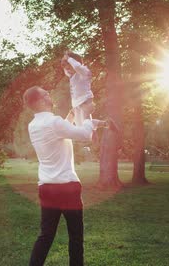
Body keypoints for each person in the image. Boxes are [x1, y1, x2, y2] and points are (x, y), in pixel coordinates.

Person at [24, 86, 92, 266]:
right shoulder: (54, 123)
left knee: (46, 236)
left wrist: (70, 118)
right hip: (67, 187)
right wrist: (88, 116)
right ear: (39, 101)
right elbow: (86, 135)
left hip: (47, 187)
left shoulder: (33, 125)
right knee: (76, 237)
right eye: (45, 94)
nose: (49, 95)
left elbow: (59, 134)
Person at [61, 50, 117, 133]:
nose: (67, 71)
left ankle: (94, 139)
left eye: (69, 68)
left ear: (74, 63)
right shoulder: (72, 76)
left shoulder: (83, 72)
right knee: (81, 126)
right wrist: (65, 60)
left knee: (86, 128)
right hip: (77, 104)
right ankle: (106, 124)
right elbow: (69, 69)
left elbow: (77, 67)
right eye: (66, 69)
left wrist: (69, 58)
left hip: (85, 102)